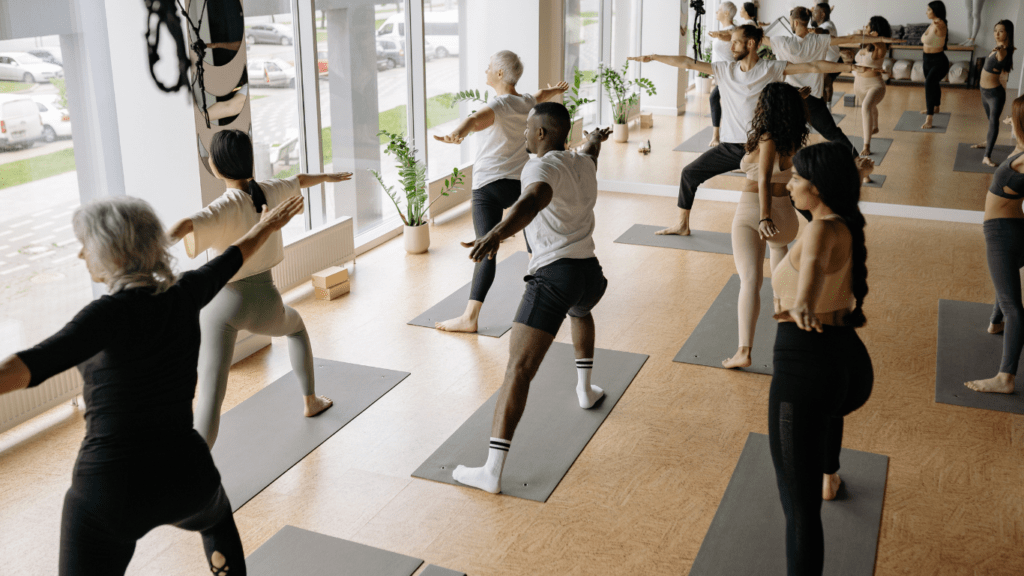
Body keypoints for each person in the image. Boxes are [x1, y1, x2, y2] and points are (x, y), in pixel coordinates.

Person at [0, 194, 305, 575]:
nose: (81, 256)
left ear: (112, 251)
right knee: (215, 517)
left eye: (85, 246)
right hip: (186, 477)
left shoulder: (104, 315)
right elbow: (235, 255)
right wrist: (269, 224)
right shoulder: (185, 293)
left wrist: (268, 226)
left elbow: (25, 366)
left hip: (111, 489)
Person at [450, 103, 611, 494]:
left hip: (554, 276)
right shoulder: (583, 163)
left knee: (517, 370)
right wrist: (594, 139)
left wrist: (496, 234)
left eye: (528, 128)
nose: (523, 133)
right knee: (581, 310)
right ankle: (585, 390)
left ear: (543, 134)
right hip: (590, 274)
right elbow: (589, 151)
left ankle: (491, 471)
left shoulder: (539, 168)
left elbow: (532, 199)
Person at [167, 129, 351, 447]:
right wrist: (330, 177)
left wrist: (150, 249)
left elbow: (185, 226)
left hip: (221, 306)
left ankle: (195, 469)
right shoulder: (268, 191)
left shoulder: (225, 204)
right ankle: (310, 401)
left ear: (217, 165)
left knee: (211, 389)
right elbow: (301, 179)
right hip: (265, 299)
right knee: (295, 327)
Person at [629, 25, 862, 236]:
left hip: (764, 146)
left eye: (735, 42)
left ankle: (833, 228)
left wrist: (851, 67)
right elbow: (688, 63)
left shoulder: (772, 68)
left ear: (751, 44)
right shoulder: (725, 70)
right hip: (732, 146)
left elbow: (813, 65)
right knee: (689, 173)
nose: (730, 46)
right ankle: (682, 224)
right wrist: (654, 57)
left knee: (788, 192)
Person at [770, 141, 874, 576]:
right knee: (825, 417)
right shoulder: (842, 219)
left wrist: (804, 303)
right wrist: (859, 172)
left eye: (796, 179)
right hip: (847, 366)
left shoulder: (816, 230)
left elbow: (810, 263)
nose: (789, 185)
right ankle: (830, 475)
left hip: (805, 366)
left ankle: (823, 482)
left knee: (799, 512)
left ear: (818, 187)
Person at [431, 50, 569, 333]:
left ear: (501, 74)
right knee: (534, 246)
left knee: (487, 248)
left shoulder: (500, 103)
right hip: (518, 184)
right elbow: (541, 94)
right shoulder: (525, 101)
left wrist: (456, 132)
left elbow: (474, 119)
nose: (485, 70)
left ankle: (470, 318)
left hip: (489, 187)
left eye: (490, 67)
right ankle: (547, 300)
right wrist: (555, 90)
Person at [722, 82, 805, 369]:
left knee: (750, 280)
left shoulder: (767, 138)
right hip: (787, 220)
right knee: (779, 280)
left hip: (756, 214)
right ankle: (785, 331)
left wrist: (763, 216)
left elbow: (764, 179)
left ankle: (744, 351)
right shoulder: (792, 137)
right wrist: (797, 99)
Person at [760, 7, 901, 157]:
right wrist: (880, 38)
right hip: (812, 98)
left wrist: (755, 27)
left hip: (789, 99)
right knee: (833, 134)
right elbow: (851, 39)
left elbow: (760, 39)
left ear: (794, 23)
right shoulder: (819, 40)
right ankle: (858, 163)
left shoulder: (782, 41)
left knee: (779, 133)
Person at [966, 97, 1024, 395]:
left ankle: (1005, 377)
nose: (1009, 122)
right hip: (1016, 227)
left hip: (1002, 232)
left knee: (1014, 305)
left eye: (1013, 119)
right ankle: (995, 321)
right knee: (1006, 279)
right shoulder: (1022, 151)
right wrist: (1014, 121)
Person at [970, 21, 1015, 167]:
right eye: (995, 30)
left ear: (1007, 33)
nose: (996, 33)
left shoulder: (1002, 50)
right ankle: (988, 142)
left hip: (995, 94)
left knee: (993, 122)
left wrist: (1000, 48)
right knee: (990, 121)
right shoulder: (999, 48)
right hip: (984, 92)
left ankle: (987, 156)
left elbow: (1002, 54)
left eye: (1001, 31)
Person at [854, 17, 894, 160]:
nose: (866, 26)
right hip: (859, 84)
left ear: (875, 30)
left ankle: (866, 145)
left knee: (866, 107)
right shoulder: (866, 45)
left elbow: (877, 42)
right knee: (870, 106)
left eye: (868, 25)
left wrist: (866, 35)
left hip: (875, 85)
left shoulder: (880, 46)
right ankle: (875, 126)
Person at [708, 2, 740, 148]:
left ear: (726, 14)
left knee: (715, 98)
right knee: (718, 100)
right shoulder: (724, 30)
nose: (716, 12)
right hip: (721, 75)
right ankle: (719, 135)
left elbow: (729, 37)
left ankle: (718, 136)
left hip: (730, 75)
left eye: (719, 10)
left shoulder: (732, 31)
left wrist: (721, 35)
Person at [921, 1, 949, 130]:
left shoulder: (941, 24)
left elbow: (943, 27)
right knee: (933, 83)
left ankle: (929, 117)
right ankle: (936, 107)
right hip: (926, 59)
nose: (926, 12)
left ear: (935, 11)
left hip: (939, 61)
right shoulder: (932, 23)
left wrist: (941, 23)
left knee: (928, 84)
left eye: (928, 10)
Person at [811, 3, 842, 108]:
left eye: (815, 12)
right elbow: (814, 24)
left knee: (824, 84)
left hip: (834, 61)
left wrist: (812, 31)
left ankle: (827, 108)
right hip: (827, 60)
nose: (813, 13)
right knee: (824, 85)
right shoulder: (821, 24)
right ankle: (826, 107)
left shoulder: (829, 25)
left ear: (823, 14)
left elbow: (824, 31)